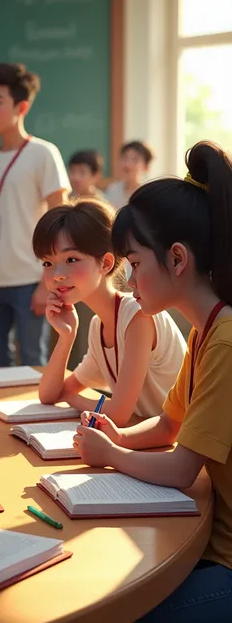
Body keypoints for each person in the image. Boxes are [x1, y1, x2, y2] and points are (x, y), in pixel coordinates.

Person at [74, 141, 232, 622]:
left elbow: (182, 468)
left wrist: (112, 455)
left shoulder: (224, 339)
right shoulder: (208, 327)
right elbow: (167, 426)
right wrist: (119, 436)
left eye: (136, 265)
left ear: (177, 259)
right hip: (210, 541)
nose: (130, 280)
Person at [33, 199, 186, 425]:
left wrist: (74, 400)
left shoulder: (138, 315)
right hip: (146, 445)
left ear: (105, 263)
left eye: (71, 259)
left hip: (180, 450)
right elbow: (48, 395)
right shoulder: (99, 326)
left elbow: (117, 415)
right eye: (47, 263)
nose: (57, 274)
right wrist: (67, 337)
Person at [0, 62, 70, 367]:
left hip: (30, 279)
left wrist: (47, 282)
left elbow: (60, 221)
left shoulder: (43, 154)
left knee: (34, 362)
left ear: (21, 106)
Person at [105, 140, 153, 209]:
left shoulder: (148, 194)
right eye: (125, 158)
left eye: (135, 160)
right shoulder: (113, 189)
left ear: (146, 166)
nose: (127, 164)